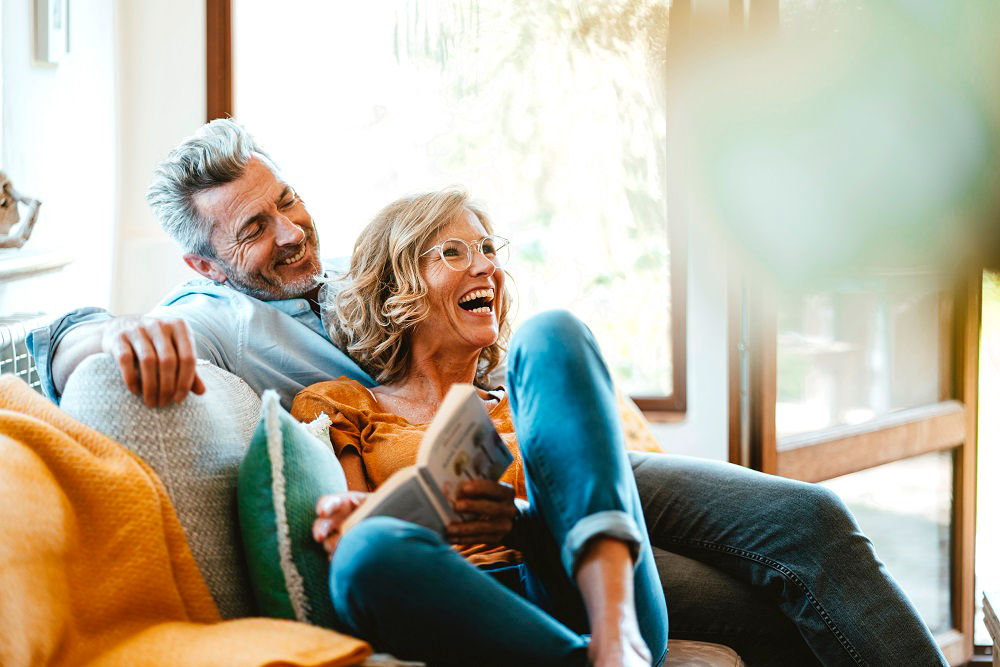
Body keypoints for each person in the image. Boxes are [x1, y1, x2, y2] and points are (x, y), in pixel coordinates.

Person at [26, 120, 946, 666]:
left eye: (290, 200)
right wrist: (90, 335)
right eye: (256, 229)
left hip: (560, 464)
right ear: (203, 261)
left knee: (808, 522)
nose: (293, 231)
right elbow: (42, 343)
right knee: (769, 599)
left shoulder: (361, 270)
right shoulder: (220, 321)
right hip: (501, 530)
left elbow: (504, 336)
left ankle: (617, 622)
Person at [295, 189, 947, 667]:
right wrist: (358, 516)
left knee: (552, 335)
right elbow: (355, 516)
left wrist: (518, 517)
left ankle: (617, 637)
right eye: (454, 251)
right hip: (468, 590)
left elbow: (578, 485)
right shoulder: (346, 402)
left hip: (577, 570)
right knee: (364, 557)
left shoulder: (527, 398)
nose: (486, 266)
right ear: (397, 285)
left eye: (489, 249)